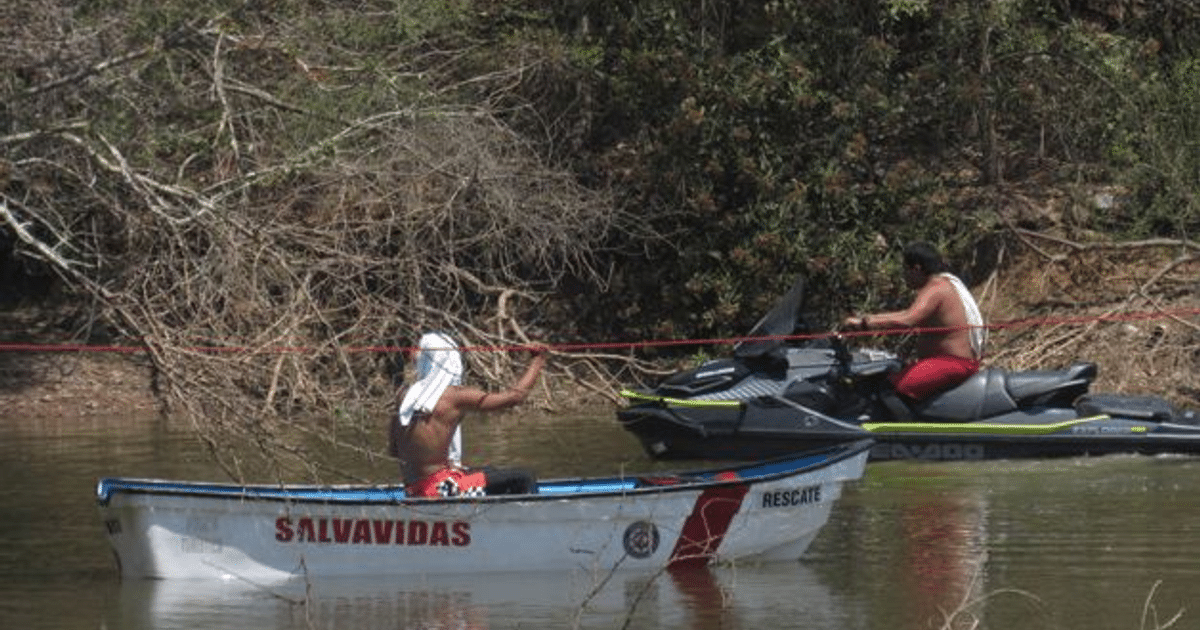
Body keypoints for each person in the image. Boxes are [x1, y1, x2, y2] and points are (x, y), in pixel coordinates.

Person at [389, 332, 549, 498]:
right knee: (523, 477)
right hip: (440, 490)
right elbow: (515, 397)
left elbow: (394, 450)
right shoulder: (454, 396)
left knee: (491, 472)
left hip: (413, 490)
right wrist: (538, 361)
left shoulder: (403, 396)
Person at [843, 242, 985, 401]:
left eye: (905, 269)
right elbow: (906, 314)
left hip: (953, 363)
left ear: (916, 269)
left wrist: (864, 323)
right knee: (882, 377)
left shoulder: (935, 289)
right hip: (945, 362)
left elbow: (908, 319)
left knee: (890, 390)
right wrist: (867, 320)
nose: (903, 275)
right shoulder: (940, 285)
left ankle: (906, 427)